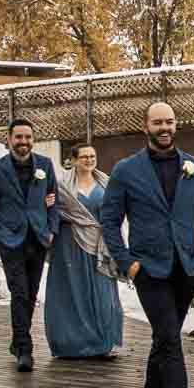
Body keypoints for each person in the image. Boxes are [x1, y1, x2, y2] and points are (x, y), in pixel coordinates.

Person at [99, 102, 194, 388]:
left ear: (175, 124)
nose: (164, 127)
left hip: (186, 269)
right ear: (146, 126)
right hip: (149, 269)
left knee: (164, 338)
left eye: (169, 121)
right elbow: (109, 221)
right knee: (169, 337)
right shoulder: (126, 170)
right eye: (157, 122)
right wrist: (128, 263)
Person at [0, 118, 61, 372]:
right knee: (20, 292)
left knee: (31, 294)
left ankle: (17, 341)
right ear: (9, 140)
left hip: (38, 238)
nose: (23, 142)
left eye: (27, 137)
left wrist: (52, 229)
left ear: (32, 140)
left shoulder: (44, 166)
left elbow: (54, 200)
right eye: (19, 137)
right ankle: (25, 349)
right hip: (10, 240)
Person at [44, 144, 125, 359]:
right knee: (72, 292)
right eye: (84, 157)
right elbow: (51, 211)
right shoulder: (61, 185)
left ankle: (102, 343)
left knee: (102, 291)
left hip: (100, 245)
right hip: (69, 246)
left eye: (92, 156)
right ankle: (69, 344)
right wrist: (47, 204)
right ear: (73, 160)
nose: (89, 160)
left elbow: (116, 212)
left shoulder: (106, 183)